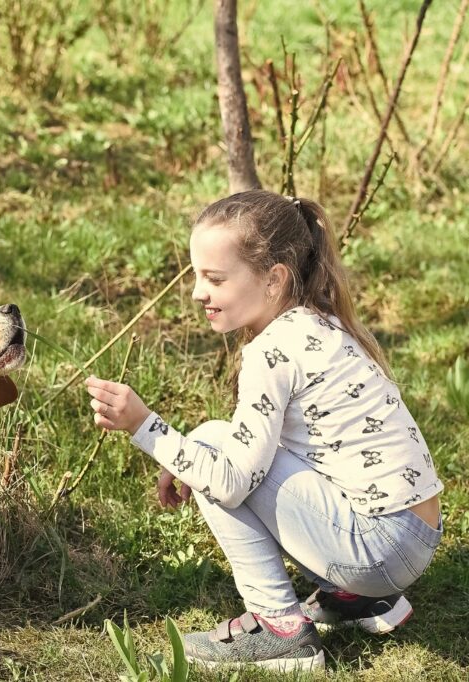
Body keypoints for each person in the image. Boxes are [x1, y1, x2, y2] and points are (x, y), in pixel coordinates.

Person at [85, 189, 443, 672]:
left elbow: (231, 481)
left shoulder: (271, 351)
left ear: (273, 279)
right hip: (412, 538)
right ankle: (358, 599)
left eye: (214, 278)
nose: (197, 292)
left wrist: (148, 429)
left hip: (378, 550)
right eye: (197, 276)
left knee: (212, 446)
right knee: (215, 437)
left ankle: (280, 630)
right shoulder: (321, 323)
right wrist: (186, 453)